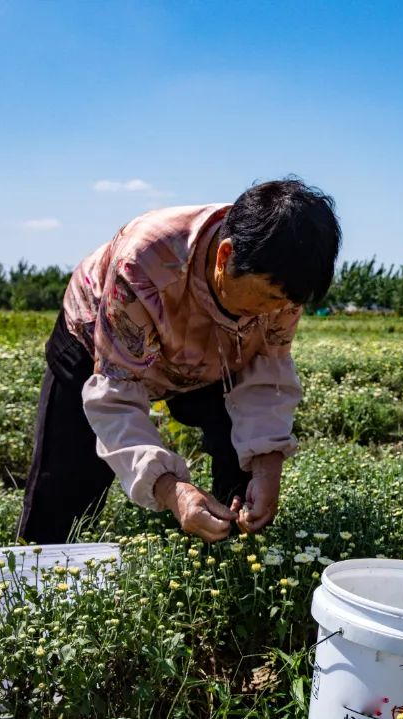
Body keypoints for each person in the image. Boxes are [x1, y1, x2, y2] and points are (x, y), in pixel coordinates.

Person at [17, 179, 341, 544]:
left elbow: (266, 374)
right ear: (225, 257)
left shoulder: (281, 285)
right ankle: (36, 567)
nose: (274, 312)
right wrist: (172, 490)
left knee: (241, 457)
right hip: (97, 345)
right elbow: (115, 397)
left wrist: (267, 465)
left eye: (287, 304)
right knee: (68, 477)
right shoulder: (144, 262)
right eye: (267, 297)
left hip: (212, 355)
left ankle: (230, 550)